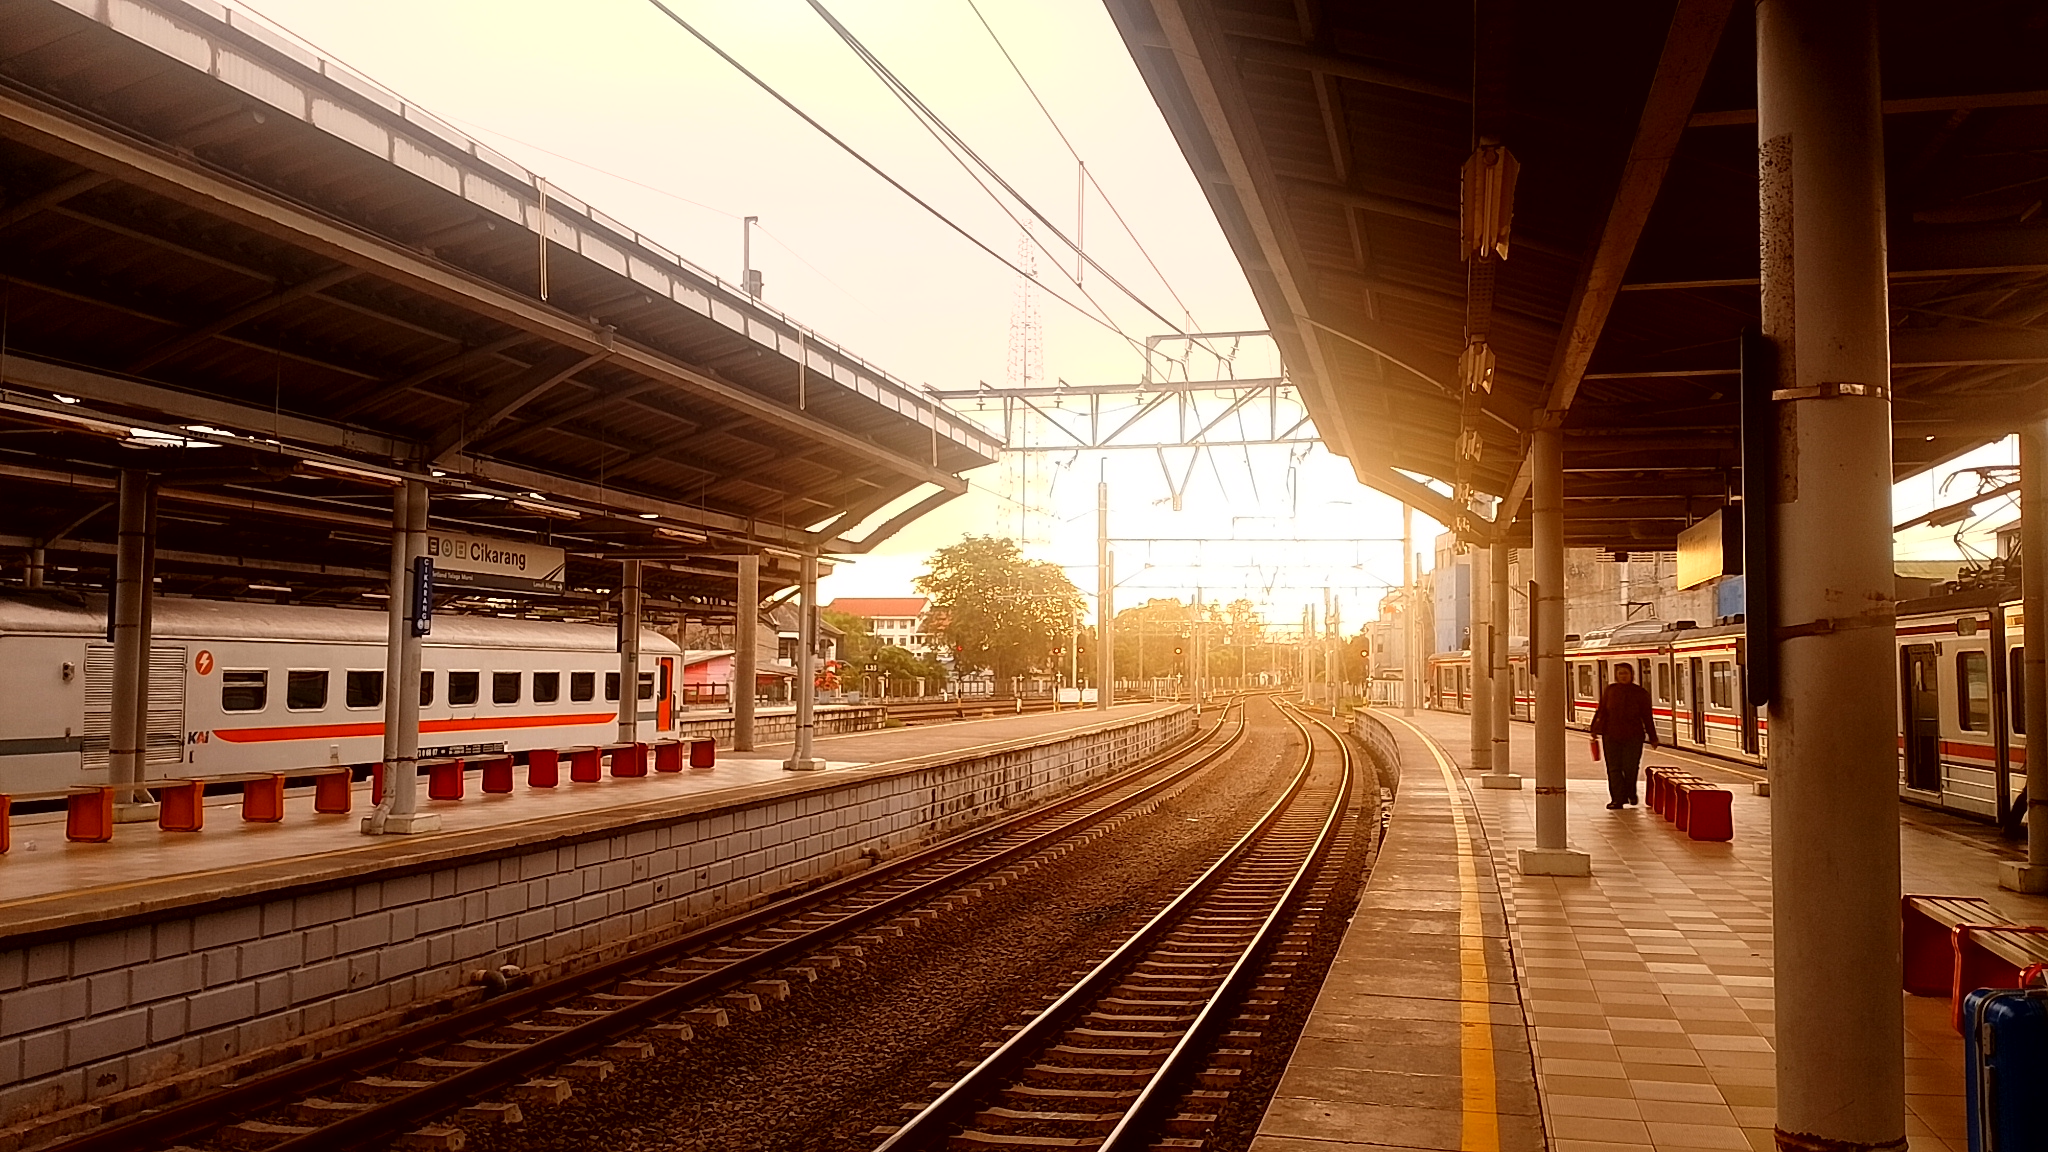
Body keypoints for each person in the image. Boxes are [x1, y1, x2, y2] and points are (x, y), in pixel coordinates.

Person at [1589, 663, 1659, 809]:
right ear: (1616, 675)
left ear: (1631, 675)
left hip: (1633, 736)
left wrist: (1653, 737)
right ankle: (1617, 799)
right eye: (1620, 673)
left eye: (1626, 673)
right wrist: (1594, 728)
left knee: (1630, 767)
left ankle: (1630, 793)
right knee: (1613, 768)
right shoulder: (1610, 690)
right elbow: (1602, 711)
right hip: (1611, 735)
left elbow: (1647, 717)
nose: (1623, 676)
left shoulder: (1640, 693)